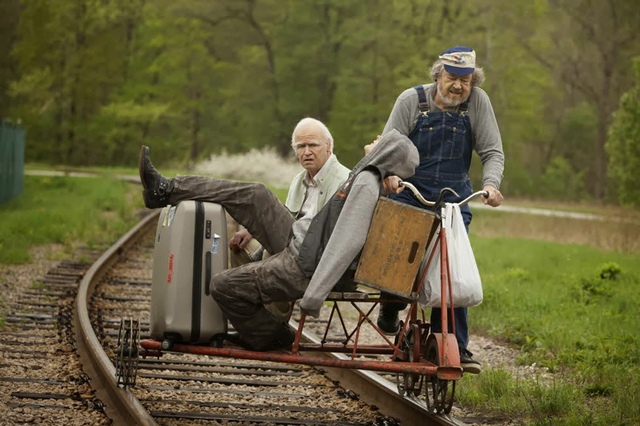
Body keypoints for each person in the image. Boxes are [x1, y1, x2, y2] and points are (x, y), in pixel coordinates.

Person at [139, 129, 419, 352]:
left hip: (305, 264)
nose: (374, 140)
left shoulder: (365, 183)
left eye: (379, 140)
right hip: (302, 240)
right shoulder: (367, 175)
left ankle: (270, 335)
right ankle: (166, 190)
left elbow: (346, 242)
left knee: (222, 285)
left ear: (386, 151)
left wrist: (313, 296)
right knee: (256, 194)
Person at [376, 46, 505, 375]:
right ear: (438, 75)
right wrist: (388, 174)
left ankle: (455, 347)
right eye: (452, 78)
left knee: (452, 273)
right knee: (397, 262)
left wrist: (490, 185)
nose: (459, 86)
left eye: (466, 80)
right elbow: (388, 145)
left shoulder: (478, 102)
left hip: (453, 198)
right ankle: (390, 304)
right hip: (409, 192)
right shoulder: (411, 101)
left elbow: (492, 151)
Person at [228, 117, 349, 264]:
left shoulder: (345, 181)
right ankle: (244, 286)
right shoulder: (298, 181)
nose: (307, 152)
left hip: (317, 256)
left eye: (313, 145)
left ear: (328, 146)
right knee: (241, 246)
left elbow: (337, 238)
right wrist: (253, 231)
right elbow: (285, 220)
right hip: (291, 244)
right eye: (301, 146)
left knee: (272, 255)